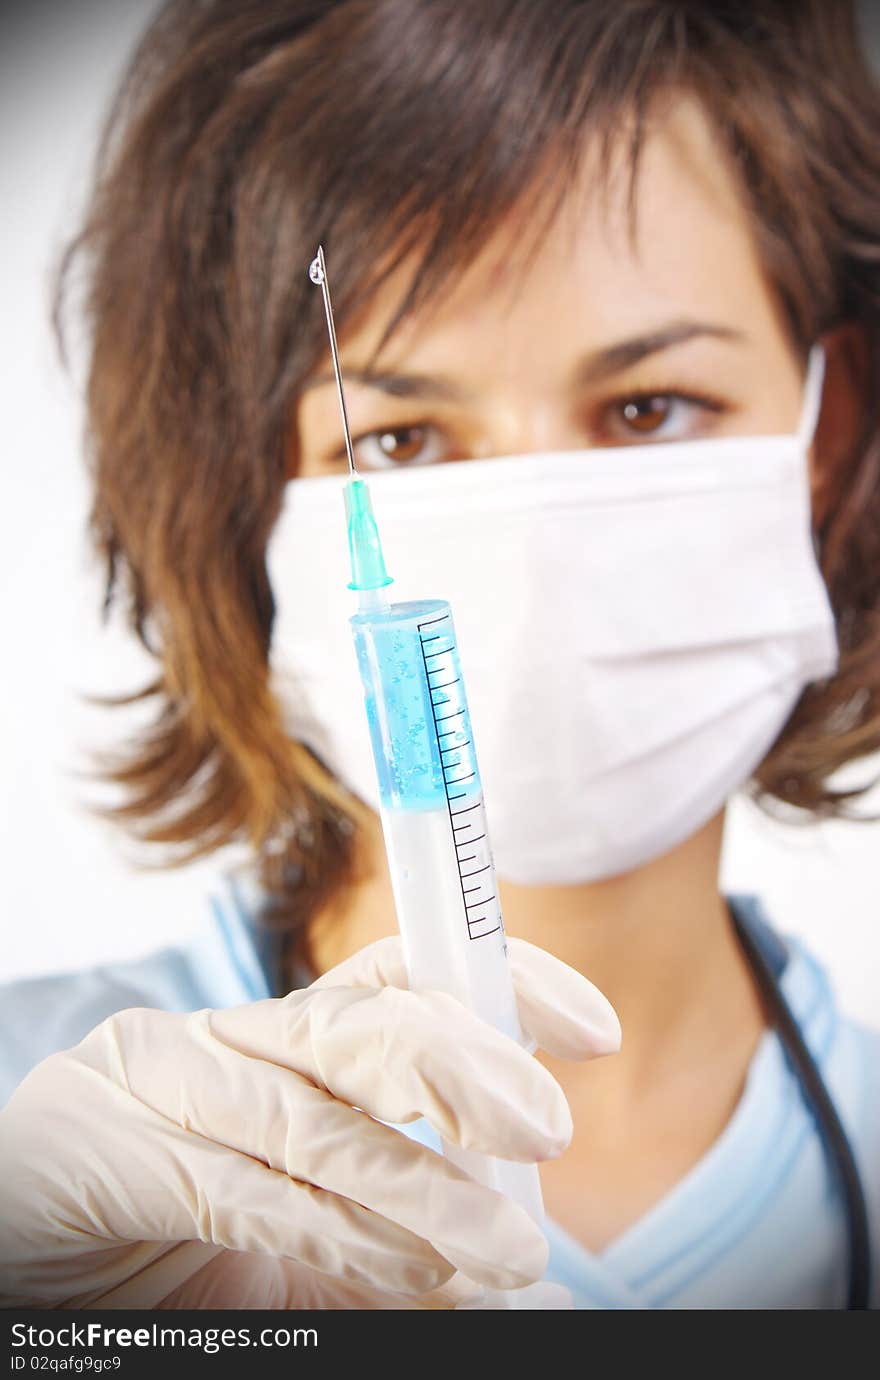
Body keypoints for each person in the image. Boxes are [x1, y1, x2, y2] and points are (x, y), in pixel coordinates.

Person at [0, 0, 878, 1311]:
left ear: (825, 429)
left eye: (648, 408)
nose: (529, 565)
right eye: (401, 438)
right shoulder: (48, 1150)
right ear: (247, 488)